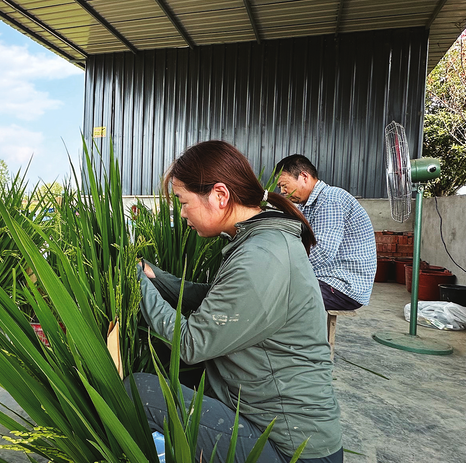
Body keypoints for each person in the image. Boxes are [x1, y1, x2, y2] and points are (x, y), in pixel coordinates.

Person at [130, 141, 342, 463]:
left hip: (291, 448)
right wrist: (156, 279)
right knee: (171, 370)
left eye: (183, 202)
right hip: (268, 417)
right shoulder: (260, 237)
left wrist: (132, 281)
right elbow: (219, 299)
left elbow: (190, 342)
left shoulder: (261, 255)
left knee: (139, 390)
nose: (183, 212)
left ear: (219, 195)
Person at [274, 154, 376, 311]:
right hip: (325, 279)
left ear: (303, 176)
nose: (282, 192)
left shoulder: (330, 199)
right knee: (273, 289)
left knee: (276, 296)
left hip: (342, 286)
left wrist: (284, 268)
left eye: (284, 185)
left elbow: (322, 251)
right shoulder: (306, 205)